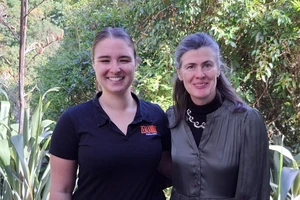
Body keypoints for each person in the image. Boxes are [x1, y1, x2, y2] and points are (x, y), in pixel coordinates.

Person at [49, 27, 171, 200]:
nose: (115, 69)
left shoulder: (156, 115)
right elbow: (60, 191)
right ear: (94, 64)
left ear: (135, 62)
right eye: (105, 60)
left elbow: (172, 169)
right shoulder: (73, 120)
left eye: (124, 60)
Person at [166, 32, 270, 200]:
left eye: (207, 65)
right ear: (180, 73)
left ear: (218, 69)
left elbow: (254, 193)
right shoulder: (171, 118)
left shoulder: (246, 121)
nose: (200, 74)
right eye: (191, 66)